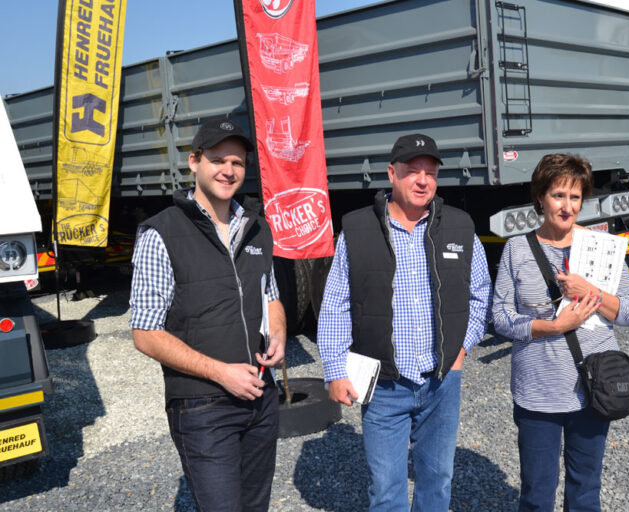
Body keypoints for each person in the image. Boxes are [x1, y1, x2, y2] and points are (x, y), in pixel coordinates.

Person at [317, 133, 492, 511]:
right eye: (413, 171)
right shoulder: (358, 231)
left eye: (430, 173)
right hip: (384, 384)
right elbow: (335, 305)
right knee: (385, 487)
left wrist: (462, 349)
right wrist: (335, 369)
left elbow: (480, 295)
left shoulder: (460, 228)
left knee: (437, 479)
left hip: (441, 382)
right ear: (391, 173)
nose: (423, 181)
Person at [129, 119, 286, 512]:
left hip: (260, 398)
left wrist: (279, 333)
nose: (228, 170)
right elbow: (145, 332)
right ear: (194, 162)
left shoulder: (256, 227)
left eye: (237, 162)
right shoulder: (161, 233)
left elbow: (270, 295)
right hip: (202, 407)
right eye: (218, 160)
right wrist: (221, 373)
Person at [492, 153, 629, 511]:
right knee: (536, 493)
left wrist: (589, 291)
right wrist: (555, 326)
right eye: (558, 195)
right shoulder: (516, 249)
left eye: (575, 197)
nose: (567, 206)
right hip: (537, 392)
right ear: (540, 197)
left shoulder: (603, 248)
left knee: (586, 490)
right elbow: (500, 318)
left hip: (592, 388)